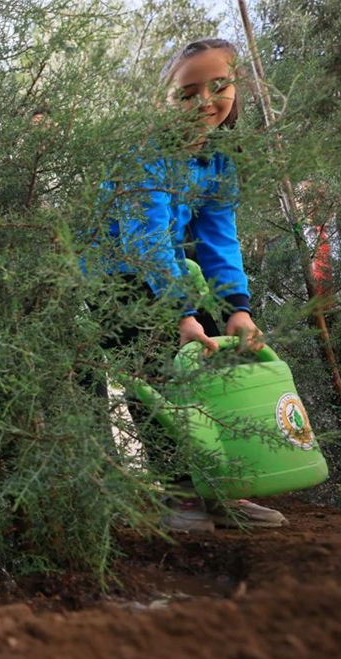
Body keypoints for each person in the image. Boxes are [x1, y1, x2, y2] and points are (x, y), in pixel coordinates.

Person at [99, 37, 286, 533]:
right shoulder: (144, 152)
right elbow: (146, 239)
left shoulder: (219, 160)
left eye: (219, 86)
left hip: (167, 276)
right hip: (110, 279)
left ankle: (223, 488)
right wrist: (183, 314)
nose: (205, 101)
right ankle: (179, 493)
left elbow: (219, 240)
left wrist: (237, 310)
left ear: (236, 87)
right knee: (155, 377)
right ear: (165, 99)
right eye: (187, 92)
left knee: (209, 364)